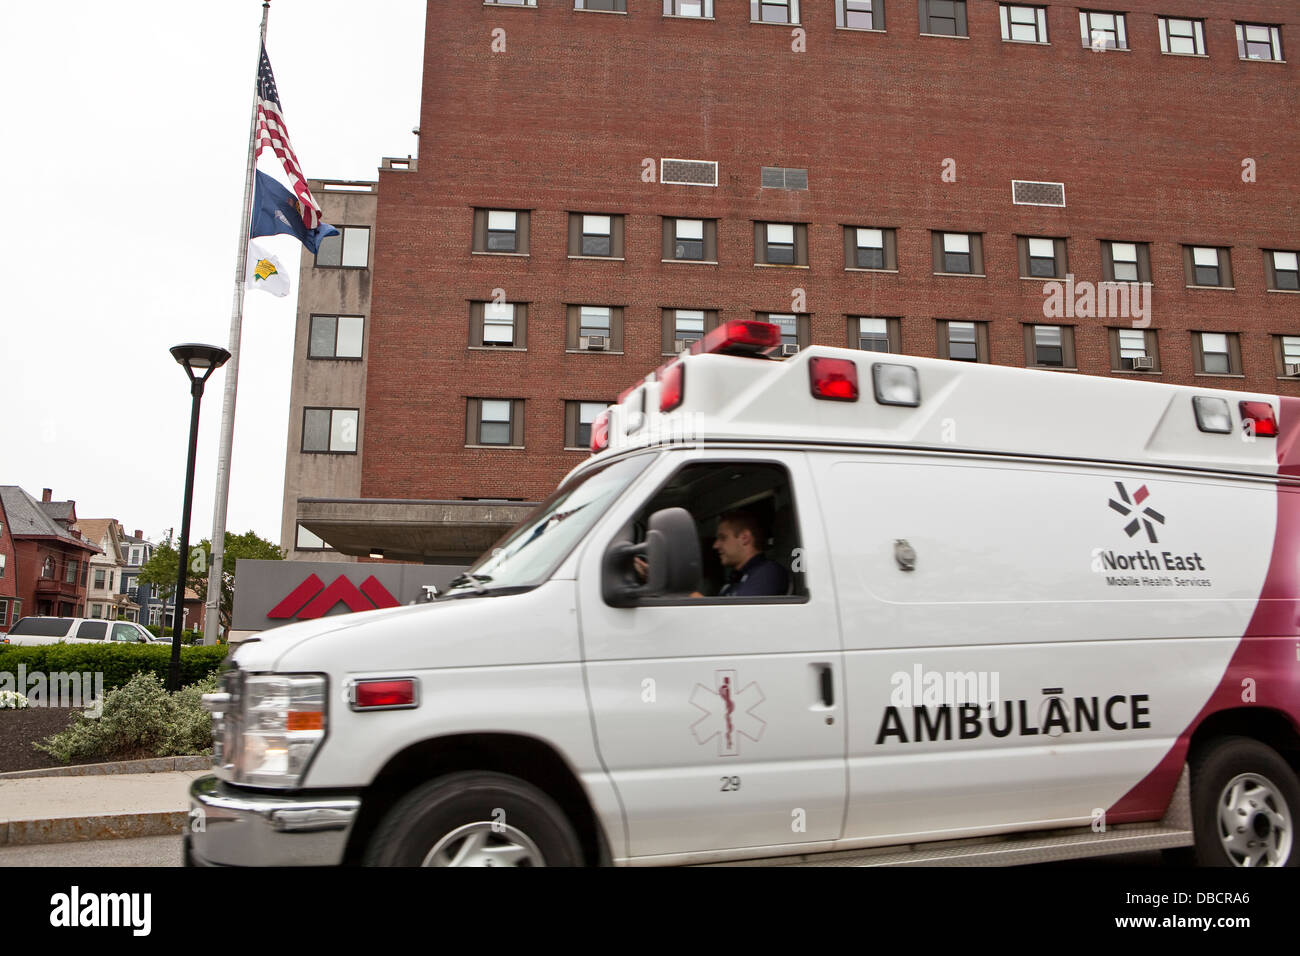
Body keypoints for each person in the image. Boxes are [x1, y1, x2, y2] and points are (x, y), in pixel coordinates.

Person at [633, 509, 789, 597]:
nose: (715, 545)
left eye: (722, 538)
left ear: (745, 538)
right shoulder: (737, 578)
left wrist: (670, 585)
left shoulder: (768, 573)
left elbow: (730, 618)